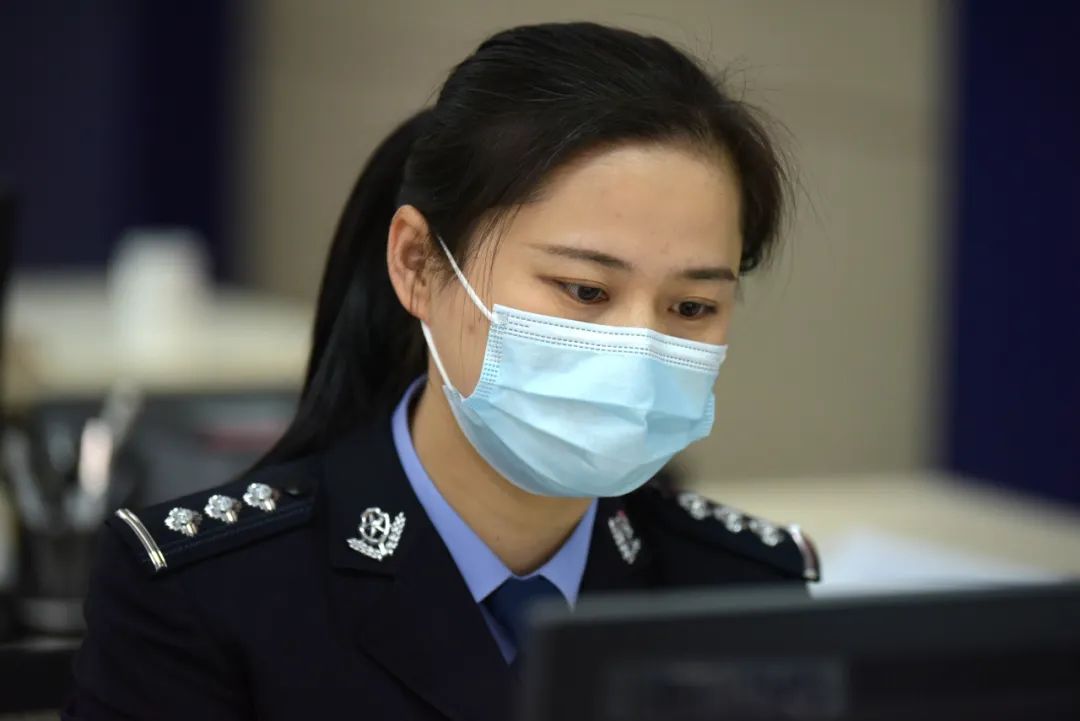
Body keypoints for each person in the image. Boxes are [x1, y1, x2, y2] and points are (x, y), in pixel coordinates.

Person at [63, 20, 820, 721]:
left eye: (691, 307)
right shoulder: (210, 594)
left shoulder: (743, 592)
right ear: (418, 264)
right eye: (584, 290)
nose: (638, 346)